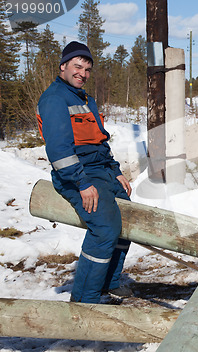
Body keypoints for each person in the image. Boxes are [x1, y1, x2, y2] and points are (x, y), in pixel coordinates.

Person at [37, 41, 133, 303]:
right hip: (77, 174)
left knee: (130, 219)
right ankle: (84, 300)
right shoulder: (55, 98)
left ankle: (110, 282)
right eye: (77, 66)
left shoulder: (86, 99)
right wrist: (81, 182)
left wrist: (116, 171)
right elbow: (59, 150)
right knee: (104, 229)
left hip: (102, 171)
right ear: (63, 66)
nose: (82, 73)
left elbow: (100, 140)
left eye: (87, 69)